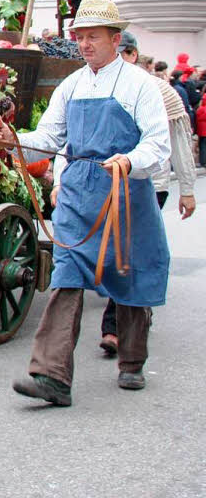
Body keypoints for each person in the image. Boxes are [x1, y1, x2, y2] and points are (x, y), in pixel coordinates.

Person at [0, 0, 170, 405]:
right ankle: (51, 376)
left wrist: (129, 159)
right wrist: (12, 140)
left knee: (130, 275)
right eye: (80, 38)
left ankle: (132, 361)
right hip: (77, 194)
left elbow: (158, 144)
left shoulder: (140, 85)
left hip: (124, 191)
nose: (84, 45)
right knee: (67, 277)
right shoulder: (71, 86)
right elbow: (50, 138)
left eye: (92, 37)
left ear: (115, 39)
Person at [92, 30, 196, 356]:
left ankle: (117, 329)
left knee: (132, 253)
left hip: (152, 183)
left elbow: (178, 142)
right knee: (116, 249)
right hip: (110, 179)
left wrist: (189, 190)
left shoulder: (161, 91)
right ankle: (120, 324)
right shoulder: (101, 88)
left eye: (120, 55)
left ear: (132, 55)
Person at [197, 96, 206, 167]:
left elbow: (197, 119)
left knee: (202, 146)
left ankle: (203, 161)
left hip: (201, 132)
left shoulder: (200, 109)